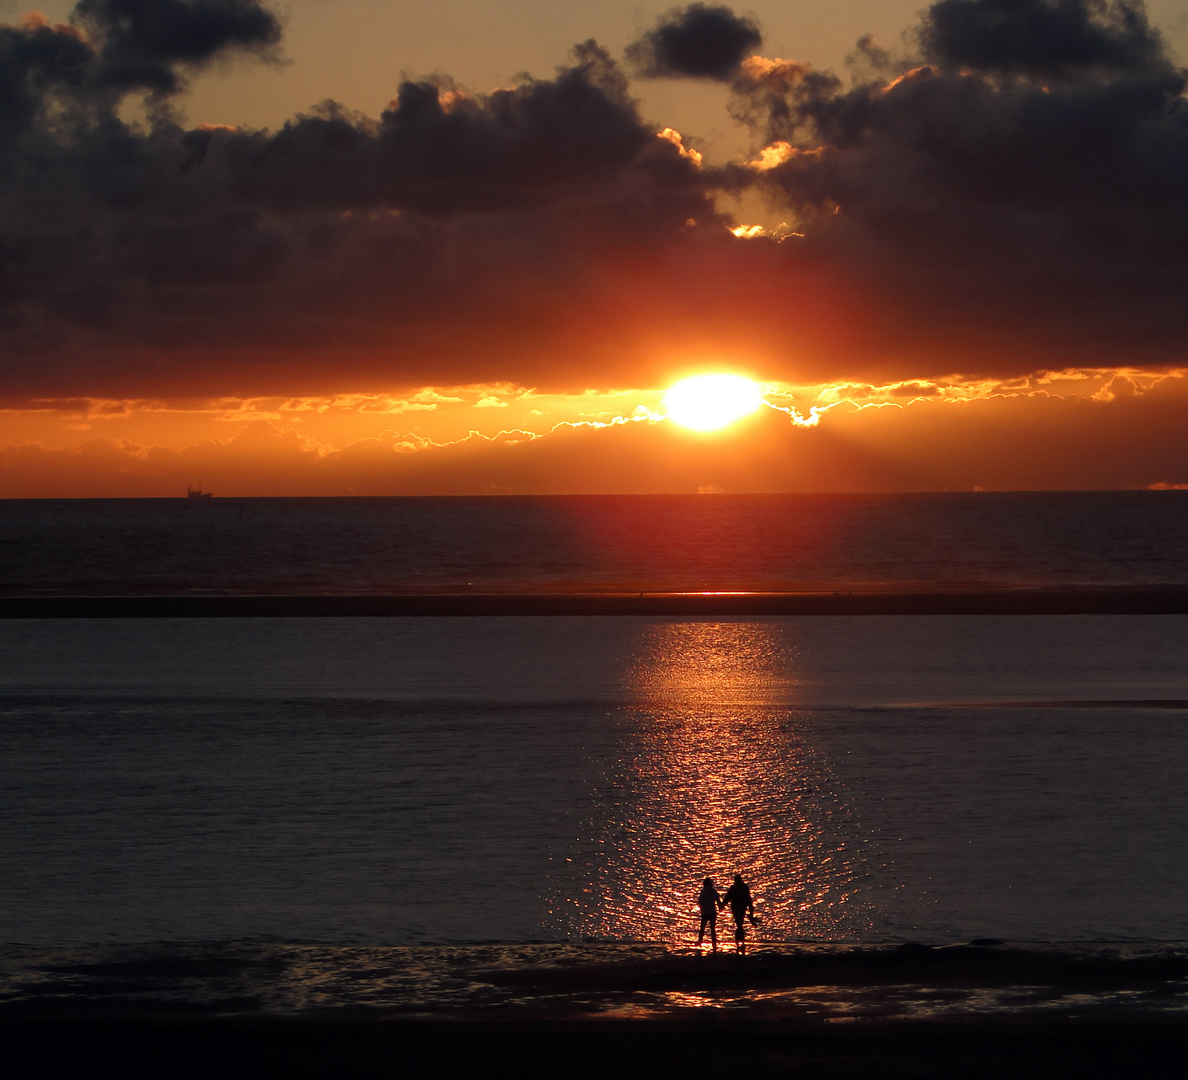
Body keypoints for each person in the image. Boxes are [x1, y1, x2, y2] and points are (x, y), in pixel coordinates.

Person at [722, 873, 757, 953]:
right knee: (739, 923)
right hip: (741, 907)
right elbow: (748, 900)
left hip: (736, 908)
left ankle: (739, 941)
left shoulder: (734, 888)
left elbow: (727, 898)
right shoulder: (744, 887)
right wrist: (751, 911)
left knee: (739, 923)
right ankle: (740, 941)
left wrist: (722, 905)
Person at [695, 877, 722, 951]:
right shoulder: (713, 891)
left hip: (705, 912)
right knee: (712, 929)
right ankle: (714, 943)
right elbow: (718, 900)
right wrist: (720, 908)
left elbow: (700, 901)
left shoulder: (703, 891)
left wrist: (702, 908)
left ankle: (700, 941)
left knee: (702, 928)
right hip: (712, 912)